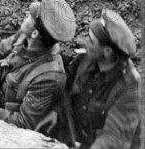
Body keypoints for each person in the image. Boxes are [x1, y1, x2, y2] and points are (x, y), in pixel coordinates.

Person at [0, 0, 76, 132]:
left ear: (35, 33)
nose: (26, 15)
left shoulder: (49, 77)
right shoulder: (27, 35)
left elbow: (25, 123)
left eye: (30, 17)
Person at [37, 9, 141, 149]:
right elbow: (66, 91)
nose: (84, 42)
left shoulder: (128, 84)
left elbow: (114, 138)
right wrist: (56, 112)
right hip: (83, 141)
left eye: (91, 41)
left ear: (107, 52)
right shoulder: (85, 59)